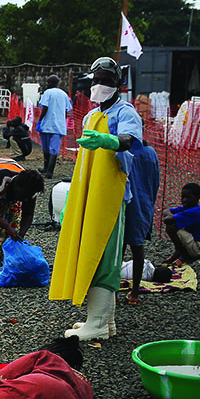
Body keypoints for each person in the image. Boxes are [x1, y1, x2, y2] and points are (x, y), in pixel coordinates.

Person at [49, 56, 144, 341]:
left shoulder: (124, 111)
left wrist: (111, 141)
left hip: (111, 197)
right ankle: (103, 320)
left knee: (104, 256)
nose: (101, 86)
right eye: (97, 80)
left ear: (118, 84)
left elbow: (130, 139)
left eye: (107, 81)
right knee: (89, 249)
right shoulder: (91, 116)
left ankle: (98, 323)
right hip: (89, 193)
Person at [0, 157, 46, 279]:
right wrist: (6, 226)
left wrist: (20, 234)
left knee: (13, 219)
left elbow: (28, 214)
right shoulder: (3, 179)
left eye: (28, 197)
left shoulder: (30, 190)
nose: (25, 200)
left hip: (10, 171)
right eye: (23, 196)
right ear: (15, 186)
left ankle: (4, 258)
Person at [122, 139, 161, 305]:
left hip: (125, 204)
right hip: (144, 205)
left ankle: (112, 289)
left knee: (119, 249)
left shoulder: (125, 152)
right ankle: (135, 291)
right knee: (138, 248)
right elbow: (155, 182)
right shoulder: (151, 153)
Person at [162, 183, 200, 266]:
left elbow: (167, 220)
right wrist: (173, 217)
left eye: (188, 197)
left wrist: (173, 217)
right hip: (196, 243)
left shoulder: (195, 212)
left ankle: (182, 253)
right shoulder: (188, 207)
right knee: (174, 224)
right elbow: (166, 211)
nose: (184, 200)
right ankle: (181, 252)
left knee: (171, 227)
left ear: (197, 197)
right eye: (183, 197)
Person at [35, 74, 72, 179]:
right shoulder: (64, 94)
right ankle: (49, 172)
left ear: (50, 83)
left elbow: (45, 108)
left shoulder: (48, 93)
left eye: (48, 82)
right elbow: (66, 111)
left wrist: (40, 120)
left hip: (47, 124)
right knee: (54, 150)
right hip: (59, 127)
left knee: (46, 148)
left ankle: (46, 168)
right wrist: (62, 122)